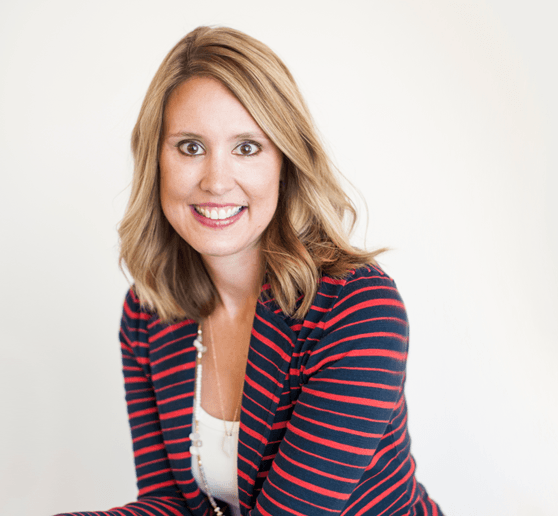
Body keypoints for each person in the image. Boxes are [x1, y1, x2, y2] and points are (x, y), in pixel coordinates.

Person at [59, 26, 442, 516]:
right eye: (190, 147)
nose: (216, 181)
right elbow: (171, 504)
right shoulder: (148, 311)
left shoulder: (358, 311)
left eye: (247, 147)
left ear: (286, 161)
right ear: (156, 160)